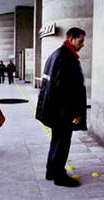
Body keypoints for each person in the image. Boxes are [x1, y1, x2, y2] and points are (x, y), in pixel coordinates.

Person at [35, 27, 87, 187]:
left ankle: (51, 171)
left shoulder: (56, 54)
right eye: (81, 40)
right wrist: (76, 113)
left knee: (57, 141)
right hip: (62, 111)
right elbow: (67, 90)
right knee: (63, 142)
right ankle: (59, 176)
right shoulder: (66, 57)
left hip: (54, 109)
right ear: (71, 39)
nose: (83, 44)